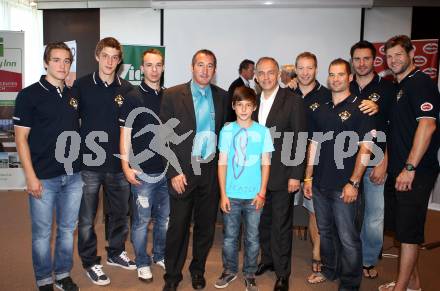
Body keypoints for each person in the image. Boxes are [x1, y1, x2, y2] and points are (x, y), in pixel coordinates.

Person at [14, 42, 82, 291]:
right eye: (56, 60)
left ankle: (63, 275)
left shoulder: (73, 95)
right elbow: (20, 139)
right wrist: (30, 177)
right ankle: (44, 280)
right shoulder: (29, 95)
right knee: (42, 235)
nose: (62, 65)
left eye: (67, 61)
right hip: (43, 178)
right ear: (45, 62)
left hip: (73, 176)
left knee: (66, 231)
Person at [304, 58, 374, 291]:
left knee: (348, 238)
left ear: (350, 77)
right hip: (319, 184)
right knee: (325, 233)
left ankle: (350, 284)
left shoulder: (361, 107)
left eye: (340, 74)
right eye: (332, 75)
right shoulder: (321, 108)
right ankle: (330, 270)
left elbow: (366, 148)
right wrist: (308, 177)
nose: (335, 79)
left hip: (344, 186)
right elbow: (313, 144)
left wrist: (354, 183)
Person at [160, 49, 227, 291]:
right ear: (192, 67)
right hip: (182, 171)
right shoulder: (172, 95)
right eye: (200, 64)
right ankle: (172, 276)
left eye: (210, 66)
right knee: (178, 226)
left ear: (215, 70)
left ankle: (197, 270)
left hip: (209, 171)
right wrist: (173, 171)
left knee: (205, 226)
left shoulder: (222, 97)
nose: (205, 70)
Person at [378, 35, 439, 291]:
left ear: (411, 53)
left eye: (398, 55)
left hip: (415, 172)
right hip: (398, 171)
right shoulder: (400, 86)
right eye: (389, 56)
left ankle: (401, 288)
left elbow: (427, 125)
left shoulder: (421, 83)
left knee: (409, 233)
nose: (393, 61)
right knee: (402, 231)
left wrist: (410, 168)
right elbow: (396, 133)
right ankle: (413, 283)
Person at [73, 37, 134, 286]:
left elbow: (131, 128)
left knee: (119, 213)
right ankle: (90, 262)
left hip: (118, 164)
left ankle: (116, 252)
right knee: (87, 218)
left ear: (119, 61)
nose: (110, 61)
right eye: (105, 56)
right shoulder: (81, 85)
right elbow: (69, 122)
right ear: (97, 56)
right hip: (88, 165)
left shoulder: (128, 89)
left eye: (115, 57)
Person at [253, 57, 307, 291]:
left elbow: (300, 138)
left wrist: (296, 174)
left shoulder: (293, 101)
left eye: (270, 73)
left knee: (281, 226)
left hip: (283, 175)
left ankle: (283, 273)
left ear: (278, 75)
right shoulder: (251, 101)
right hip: (256, 176)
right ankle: (268, 261)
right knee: (262, 223)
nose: (266, 77)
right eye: (261, 73)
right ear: (255, 76)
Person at [214, 86, 274, 291]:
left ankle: (249, 273)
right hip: (231, 194)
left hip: (254, 196)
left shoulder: (262, 131)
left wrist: (262, 192)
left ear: (254, 107)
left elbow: (266, 163)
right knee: (230, 237)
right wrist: (223, 194)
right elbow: (221, 163)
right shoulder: (227, 130)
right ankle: (229, 270)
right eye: (240, 105)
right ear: (233, 106)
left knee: (252, 237)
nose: (244, 109)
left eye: (248, 105)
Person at [119, 48, 169, 283]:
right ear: (142, 68)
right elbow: (125, 134)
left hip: (166, 172)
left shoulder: (168, 96)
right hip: (142, 173)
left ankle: (159, 255)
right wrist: (126, 167)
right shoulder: (132, 96)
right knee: (140, 222)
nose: (154, 69)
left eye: (158, 64)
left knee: (164, 220)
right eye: (149, 65)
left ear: (163, 67)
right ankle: (141, 261)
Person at [349, 40, 396, 280]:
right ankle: (349, 257)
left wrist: (384, 159)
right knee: (346, 213)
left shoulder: (388, 88)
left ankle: (367, 260)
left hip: (376, 158)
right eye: (357, 59)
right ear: (352, 61)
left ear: (374, 60)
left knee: (375, 215)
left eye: (366, 58)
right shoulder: (345, 86)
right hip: (347, 160)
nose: (361, 63)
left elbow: (391, 127)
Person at [292, 52, 331, 275]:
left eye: (310, 68)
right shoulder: (287, 93)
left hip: (318, 159)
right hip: (289, 157)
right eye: (301, 68)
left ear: (316, 69)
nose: (305, 72)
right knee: (283, 208)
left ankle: (317, 252)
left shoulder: (327, 95)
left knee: (315, 211)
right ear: (295, 69)